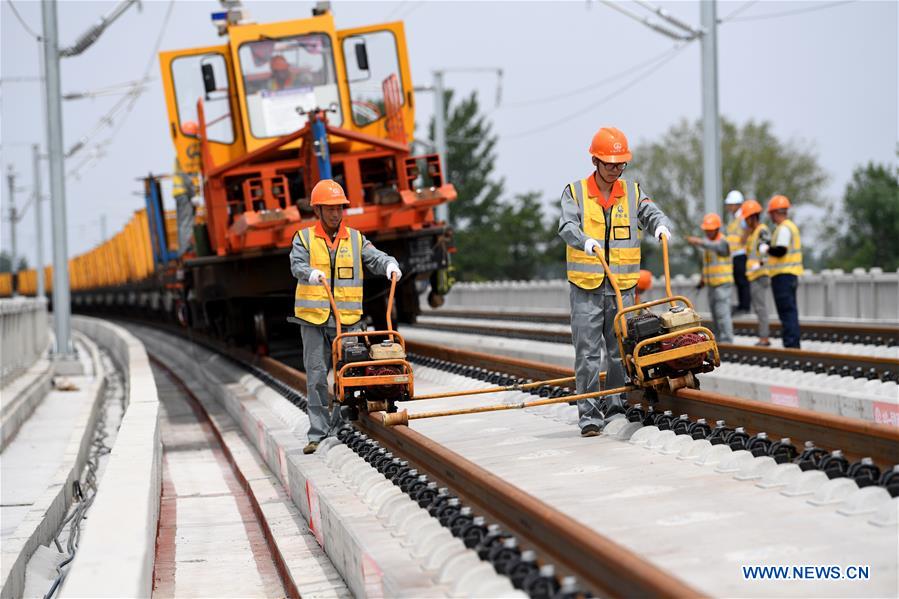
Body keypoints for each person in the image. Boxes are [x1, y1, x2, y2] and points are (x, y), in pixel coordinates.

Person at [558, 127, 673, 438]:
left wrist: (660, 226)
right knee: (587, 353)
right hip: (587, 286)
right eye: (610, 164)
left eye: (621, 164)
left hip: (622, 287)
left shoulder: (632, 192)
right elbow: (567, 225)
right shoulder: (575, 192)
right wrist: (582, 241)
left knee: (620, 352)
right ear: (596, 161)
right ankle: (589, 417)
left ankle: (616, 407)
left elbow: (650, 212)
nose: (616, 169)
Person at [289, 179, 401, 454]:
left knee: (347, 373)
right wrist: (309, 273)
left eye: (339, 208)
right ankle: (317, 432)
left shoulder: (355, 238)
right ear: (318, 210)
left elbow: (373, 257)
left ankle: (340, 426)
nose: (336, 214)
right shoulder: (303, 238)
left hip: (348, 320)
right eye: (329, 209)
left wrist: (388, 264)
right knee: (316, 375)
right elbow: (297, 264)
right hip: (314, 318)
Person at [687, 214, 734, 344]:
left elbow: (717, 248)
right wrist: (703, 278)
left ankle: (727, 340)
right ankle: (719, 340)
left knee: (722, 313)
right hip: (712, 284)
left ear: (717, 229)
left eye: (710, 229)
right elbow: (708, 264)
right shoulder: (708, 245)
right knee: (715, 314)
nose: (707, 232)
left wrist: (699, 242)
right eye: (706, 230)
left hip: (722, 284)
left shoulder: (722, 242)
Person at [763, 195, 803, 348]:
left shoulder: (784, 228)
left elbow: (780, 251)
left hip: (783, 276)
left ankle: (791, 345)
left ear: (775, 213)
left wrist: (767, 248)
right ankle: (792, 344)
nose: (770, 216)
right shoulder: (789, 227)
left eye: (771, 213)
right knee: (790, 311)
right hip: (789, 275)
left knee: (786, 312)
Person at [741, 199, 771, 346]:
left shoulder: (762, 231)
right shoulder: (753, 233)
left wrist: (758, 265)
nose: (745, 222)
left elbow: (766, 252)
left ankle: (764, 338)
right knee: (759, 307)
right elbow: (743, 244)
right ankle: (763, 336)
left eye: (747, 218)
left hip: (760, 274)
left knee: (760, 307)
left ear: (753, 217)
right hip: (754, 275)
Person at [173, 121, 200, 257]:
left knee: (187, 221)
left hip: (185, 193)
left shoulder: (185, 151)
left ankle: (187, 246)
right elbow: (185, 174)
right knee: (186, 222)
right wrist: (193, 193)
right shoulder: (184, 152)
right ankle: (185, 249)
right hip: (185, 193)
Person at [724, 190, 751, 315]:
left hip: (741, 253)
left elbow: (748, 228)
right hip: (735, 254)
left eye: (730, 204)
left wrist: (743, 240)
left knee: (742, 281)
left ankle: (745, 306)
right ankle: (742, 305)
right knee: (738, 280)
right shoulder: (734, 219)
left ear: (737, 204)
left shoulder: (742, 217)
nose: (728, 207)